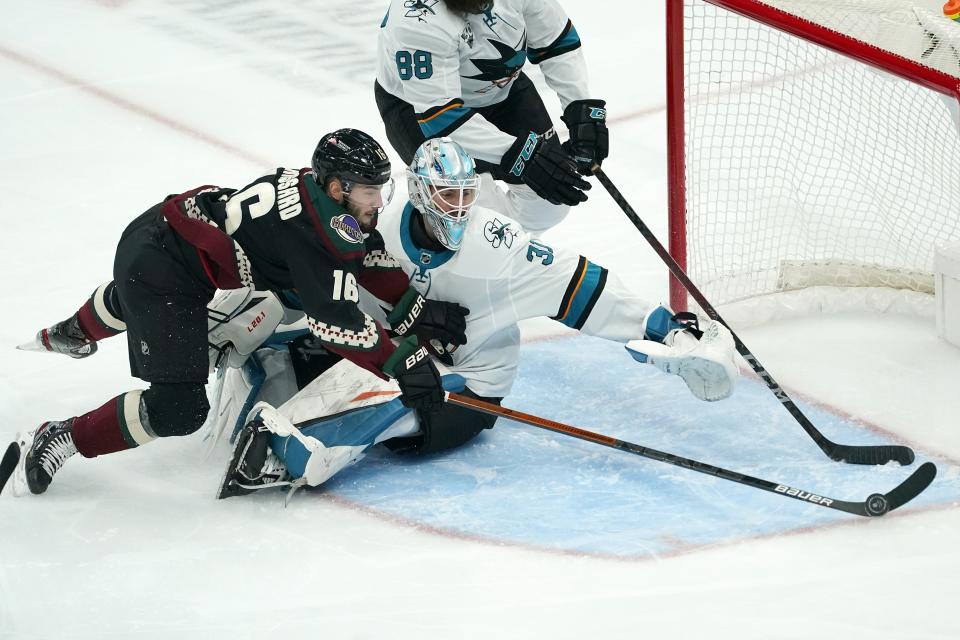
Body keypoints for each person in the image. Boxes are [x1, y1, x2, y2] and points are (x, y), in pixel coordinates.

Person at [216, 138, 738, 499]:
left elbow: (578, 286)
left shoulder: (495, 244)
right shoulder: (383, 224)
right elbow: (322, 273)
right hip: (389, 351)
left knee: (384, 405)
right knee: (281, 302)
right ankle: (258, 359)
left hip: (466, 382)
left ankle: (296, 449)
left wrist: (666, 327)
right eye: (447, 195)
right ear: (419, 192)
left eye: (467, 195)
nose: (459, 209)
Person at [3, 129, 469, 497]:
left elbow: (363, 254)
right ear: (336, 187)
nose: (378, 203)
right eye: (370, 192)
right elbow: (336, 324)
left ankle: (77, 328)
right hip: (162, 269)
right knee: (179, 409)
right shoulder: (315, 230)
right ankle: (61, 436)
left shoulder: (319, 198)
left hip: (161, 234)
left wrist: (414, 310)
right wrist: (404, 361)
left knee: (144, 298)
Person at [374, 0, 608, 234]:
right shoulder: (416, 20)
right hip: (418, 108)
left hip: (501, 88)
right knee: (475, 220)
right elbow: (440, 118)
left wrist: (579, 107)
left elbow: (556, 42)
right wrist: (522, 155)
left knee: (550, 202)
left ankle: (505, 254)